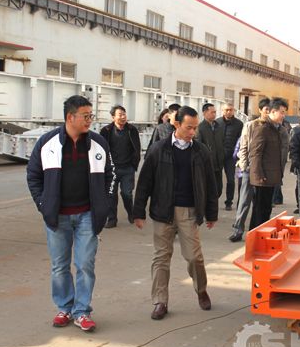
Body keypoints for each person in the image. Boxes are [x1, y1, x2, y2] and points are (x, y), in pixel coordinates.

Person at [26, 95, 114, 332]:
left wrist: (103, 204)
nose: (89, 120)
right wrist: (43, 204)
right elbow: (33, 175)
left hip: (87, 215)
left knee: (85, 264)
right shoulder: (47, 143)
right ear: (70, 117)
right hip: (57, 217)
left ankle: (82, 311)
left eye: (91, 115)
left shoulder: (98, 143)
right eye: (85, 116)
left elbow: (110, 175)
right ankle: (64, 307)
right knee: (59, 266)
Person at [132, 106, 218, 321]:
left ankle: (201, 290)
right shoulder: (158, 149)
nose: (193, 132)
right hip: (163, 211)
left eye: (195, 128)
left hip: (189, 211)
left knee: (194, 257)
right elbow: (144, 182)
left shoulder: (201, 151)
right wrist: (138, 211)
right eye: (189, 127)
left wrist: (211, 213)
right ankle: (160, 301)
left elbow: (210, 183)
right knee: (161, 257)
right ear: (176, 124)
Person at [228, 98, 270, 242]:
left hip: (265, 171)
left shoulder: (274, 127)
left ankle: (257, 232)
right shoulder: (251, 125)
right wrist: (244, 166)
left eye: (271, 110)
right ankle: (238, 230)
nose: (268, 113)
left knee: (260, 203)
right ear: (260, 110)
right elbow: (243, 146)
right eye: (266, 110)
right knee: (244, 201)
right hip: (249, 169)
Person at [99, 105, 141, 228]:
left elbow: (137, 148)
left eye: (124, 114)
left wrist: (134, 164)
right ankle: (112, 219)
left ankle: (131, 213)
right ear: (113, 117)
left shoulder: (132, 130)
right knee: (111, 194)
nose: (123, 117)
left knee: (127, 193)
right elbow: (102, 149)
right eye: (120, 114)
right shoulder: (106, 131)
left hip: (127, 168)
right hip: (111, 169)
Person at [249, 98, 288, 229]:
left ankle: (261, 235)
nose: (283, 115)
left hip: (272, 176)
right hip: (262, 177)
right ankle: (255, 235)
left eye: (284, 112)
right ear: (272, 112)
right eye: (281, 112)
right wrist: (259, 175)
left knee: (266, 210)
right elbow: (255, 154)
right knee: (259, 210)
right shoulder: (262, 128)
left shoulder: (277, 129)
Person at [217, 103, 243, 211]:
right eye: (226, 110)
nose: (228, 112)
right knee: (216, 181)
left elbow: (240, 140)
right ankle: (214, 200)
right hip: (218, 156)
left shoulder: (239, 124)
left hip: (231, 157)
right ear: (222, 110)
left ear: (234, 111)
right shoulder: (217, 123)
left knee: (231, 180)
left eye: (231, 110)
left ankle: (229, 202)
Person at [195, 103, 224, 197]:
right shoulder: (200, 128)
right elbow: (198, 146)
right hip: (208, 164)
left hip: (219, 164)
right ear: (204, 113)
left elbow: (222, 142)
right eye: (212, 112)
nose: (214, 114)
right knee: (209, 190)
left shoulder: (219, 126)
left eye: (215, 112)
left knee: (219, 189)